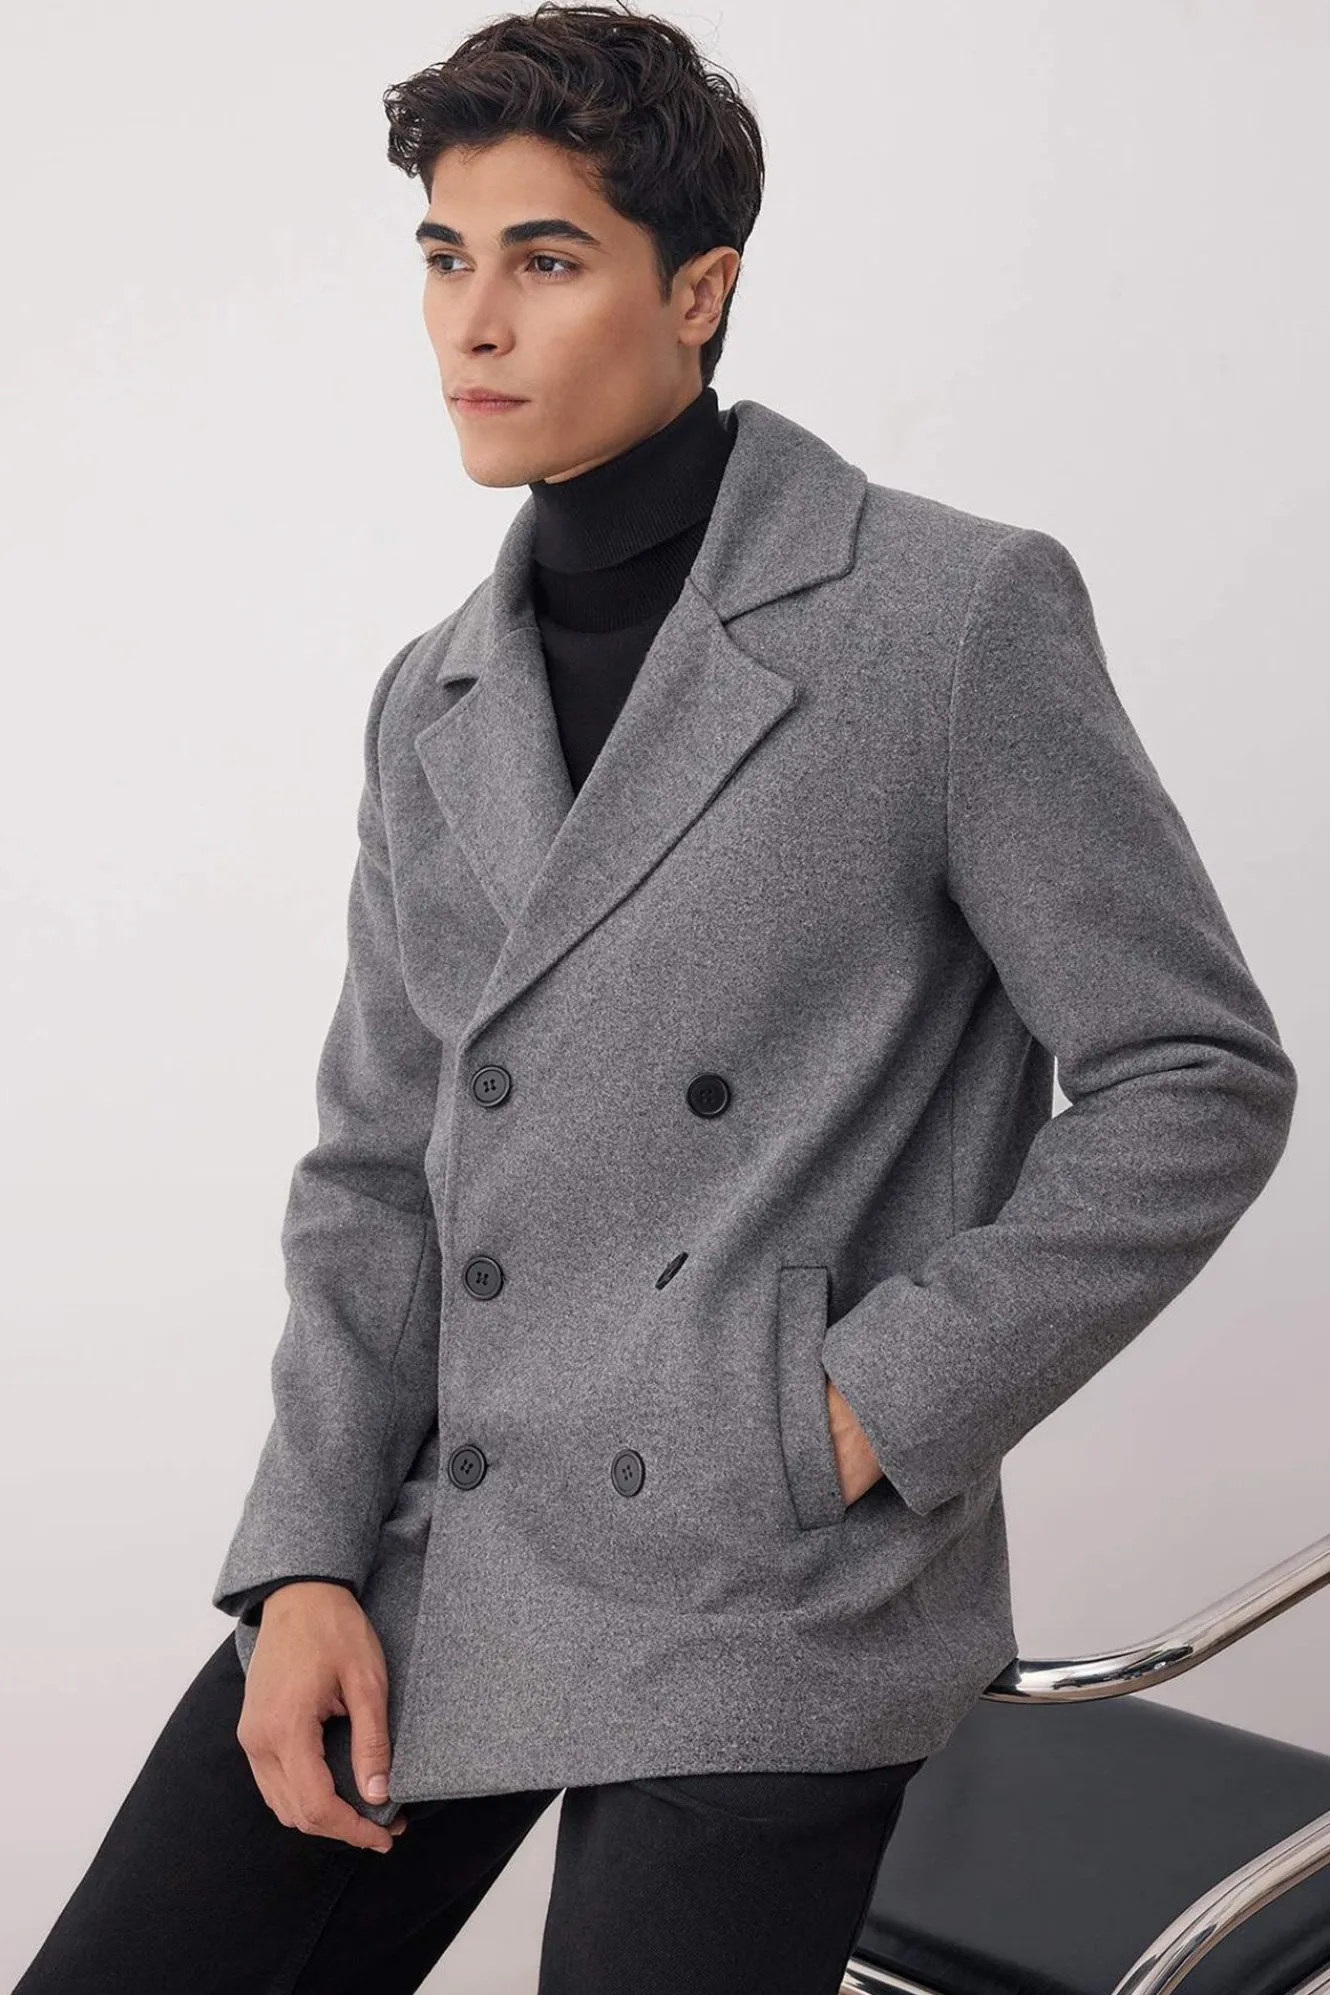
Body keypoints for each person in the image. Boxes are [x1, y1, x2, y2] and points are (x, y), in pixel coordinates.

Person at [15, 4, 1297, 1990]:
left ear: (697, 291)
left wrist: (855, 1412)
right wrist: (302, 1557)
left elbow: (1189, 1074)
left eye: (544, 259)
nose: (473, 323)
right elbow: (376, 1172)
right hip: (455, 1529)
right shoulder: (432, 699)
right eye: (444, 257)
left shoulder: (942, 614)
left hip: (769, 1567)